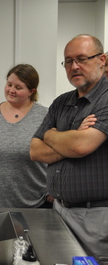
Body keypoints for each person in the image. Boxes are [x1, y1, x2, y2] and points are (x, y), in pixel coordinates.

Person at [30, 34, 108, 263]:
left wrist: (52, 135)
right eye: (68, 61)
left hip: (95, 217)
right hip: (60, 211)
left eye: (82, 59)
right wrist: (67, 139)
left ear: (102, 60)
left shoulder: (105, 100)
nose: (74, 66)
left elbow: (82, 145)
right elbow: (35, 150)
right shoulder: (61, 102)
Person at [0, 64, 51, 208]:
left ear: (31, 91)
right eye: (9, 84)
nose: (11, 90)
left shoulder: (46, 116)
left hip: (35, 204)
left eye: (18, 87)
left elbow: (58, 154)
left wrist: (53, 188)